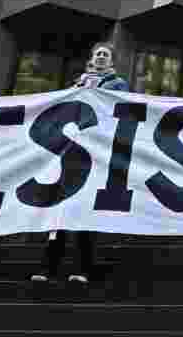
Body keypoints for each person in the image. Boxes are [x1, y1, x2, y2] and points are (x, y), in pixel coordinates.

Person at [30, 42, 129, 285]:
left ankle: (82, 268)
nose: (103, 57)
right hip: (69, 154)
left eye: (107, 54)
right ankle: (47, 267)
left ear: (112, 61)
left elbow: (121, 108)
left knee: (85, 212)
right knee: (58, 214)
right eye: (99, 54)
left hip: (96, 154)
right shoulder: (76, 84)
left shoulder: (117, 84)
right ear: (92, 59)